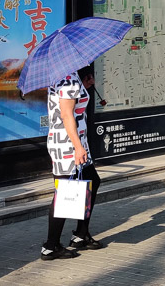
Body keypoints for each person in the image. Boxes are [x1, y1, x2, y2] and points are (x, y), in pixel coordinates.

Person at [41, 65, 104, 260]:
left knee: (92, 180)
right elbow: (67, 114)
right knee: (64, 192)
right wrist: (77, 147)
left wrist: (85, 85)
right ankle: (50, 246)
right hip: (67, 144)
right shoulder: (67, 78)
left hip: (77, 141)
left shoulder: (70, 77)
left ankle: (81, 234)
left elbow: (74, 108)